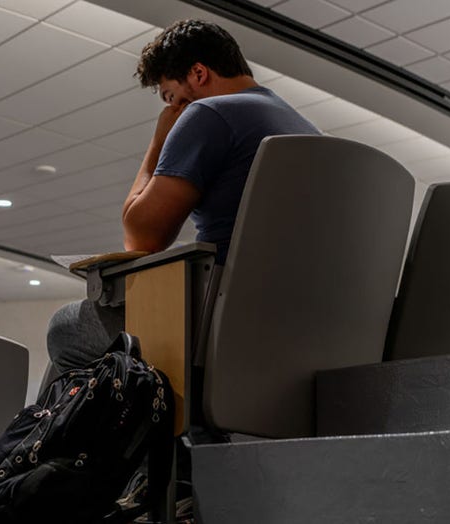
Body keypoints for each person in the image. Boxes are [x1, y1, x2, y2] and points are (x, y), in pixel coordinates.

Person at [45, 19, 320, 375]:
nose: (172, 110)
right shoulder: (305, 129)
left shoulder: (208, 113)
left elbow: (141, 236)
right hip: (300, 322)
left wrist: (159, 139)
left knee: (66, 328)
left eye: (170, 97)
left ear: (199, 74)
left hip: (217, 322)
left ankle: (42, 431)